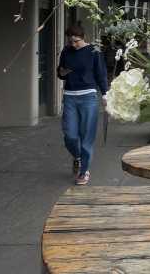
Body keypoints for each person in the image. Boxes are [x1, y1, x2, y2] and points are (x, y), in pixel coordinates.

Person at [58, 24, 108, 185]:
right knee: (70, 135)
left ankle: (84, 170)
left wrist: (105, 94)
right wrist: (62, 72)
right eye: (70, 41)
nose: (73, 44)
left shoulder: (94, 51)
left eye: (76, 41)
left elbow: (101, 74)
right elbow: (60, 73)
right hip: (70, 96)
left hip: (88, 97)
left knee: (87, 136)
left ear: (83, 38)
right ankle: (78, 157)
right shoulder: (66, 51)